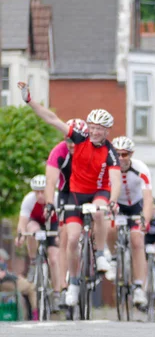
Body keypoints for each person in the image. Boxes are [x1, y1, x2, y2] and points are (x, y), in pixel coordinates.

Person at [19, 81, 121, 307]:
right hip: (75, 193)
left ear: (107, 131)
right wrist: (29, 100)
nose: (95, 132)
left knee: (97, 213)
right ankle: (73, 282)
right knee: (72, 239)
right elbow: (52, 119)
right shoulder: (78, 138)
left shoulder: (110, 151)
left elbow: (115, 179)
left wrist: (113, 201)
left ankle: (102, 252)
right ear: (89, 127)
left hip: (99, 191)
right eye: (93, 127)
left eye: (100, 129)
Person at [108, 136, 154, 308]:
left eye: (124, 154)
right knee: (111, 228)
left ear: (131, 154)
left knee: (137, 240)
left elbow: (148, 198)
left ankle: (139, 286)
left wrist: (145, 219)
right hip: (118, 206)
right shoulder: (109, 167)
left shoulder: (141, 168)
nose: (120, 158)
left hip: (136, 206)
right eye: (117, 154)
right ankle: (113, 258)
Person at [45, 118, 85, 309]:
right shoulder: (59, 151)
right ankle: (62, 286)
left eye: (74, 141)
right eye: (68, 140)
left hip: (87, 192)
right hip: (67, 193)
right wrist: (49, 204)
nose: (71, 145)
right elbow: (51, 181)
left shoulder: (89, 150)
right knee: (65, 237)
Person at [15, 175, 60, 312]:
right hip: (37, 223)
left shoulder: (56, 198)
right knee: (31, 229)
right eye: (37, 191)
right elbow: (22, 222)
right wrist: (20, 236)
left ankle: (57, 294)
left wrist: (60, 237)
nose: (40, 195)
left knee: (53, 258)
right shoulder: (29, 200)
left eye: (43, 191)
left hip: (53, 225)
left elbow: (64, 222)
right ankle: (34, 261)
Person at [0, 249, 38, 320]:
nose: (3, 261)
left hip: (11, 281)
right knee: (31, 287)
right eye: (2, 259)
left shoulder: (3, 266)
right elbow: (2, 275)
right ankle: (35, 314)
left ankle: (32, 314)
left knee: (28, 287)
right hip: (8, 283)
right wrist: (12, 276)